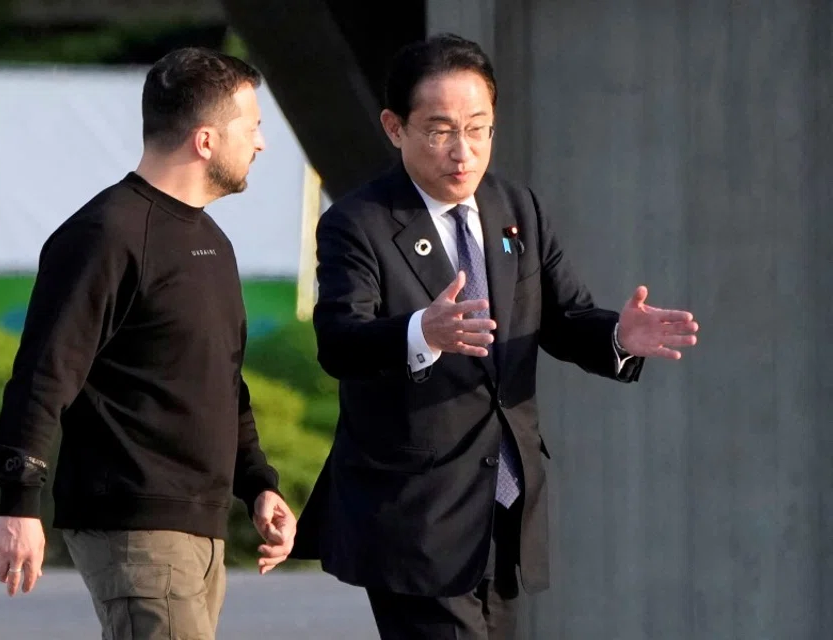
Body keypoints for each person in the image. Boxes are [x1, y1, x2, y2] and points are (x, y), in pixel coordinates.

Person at [291, 33, 699, 639]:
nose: (464, 151)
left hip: (505, 507)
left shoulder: (516, 208)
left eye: (479, 128)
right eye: (440, 130)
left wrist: (618, 334)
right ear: (393, 127)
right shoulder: (359, 223)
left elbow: (564, 317)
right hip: (416, 516)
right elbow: (339, 342)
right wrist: (418, 332)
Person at [0, 47, 297, 639]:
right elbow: (45, 372)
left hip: (199, 527)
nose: (260, 144)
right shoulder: (104, 235)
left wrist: (257, 483)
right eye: (252, 128)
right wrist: (19, 502)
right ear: (205, 141)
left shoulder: (212, 243)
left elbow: (222, 380)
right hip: (136, 524)